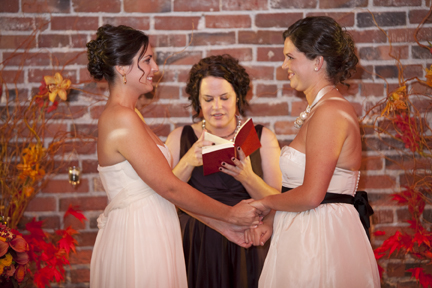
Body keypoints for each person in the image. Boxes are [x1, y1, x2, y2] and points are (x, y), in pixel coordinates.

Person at [86, 25, 262, 288]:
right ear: (122, 68)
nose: (155, 67)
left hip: (153, 227)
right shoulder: (121, 119)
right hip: (138, 237)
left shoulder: (132, 115)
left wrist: (222, 227)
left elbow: (159, 189)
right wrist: (230, 215)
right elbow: (170, 187)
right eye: (146, 60)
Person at [221, 17, 380, 287]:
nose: (284, 65)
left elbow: (310, 195)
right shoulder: (320, 110)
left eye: (290, 57)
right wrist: (272, 219)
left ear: (317, 62)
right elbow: (298, 192)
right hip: (306, 231)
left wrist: (263, 204)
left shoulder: (330, 112)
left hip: (319, 240)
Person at [165, 54, 282, 288]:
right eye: (208, 99)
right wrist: (188, 161)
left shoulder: (262, 137)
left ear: (238, 95)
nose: (216, 107)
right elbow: (163, 194)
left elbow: (279, 202)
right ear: (198, 101)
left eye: (224, 98)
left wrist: (247, 177)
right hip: (196, 244)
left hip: (248, 243)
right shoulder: (180, 137)